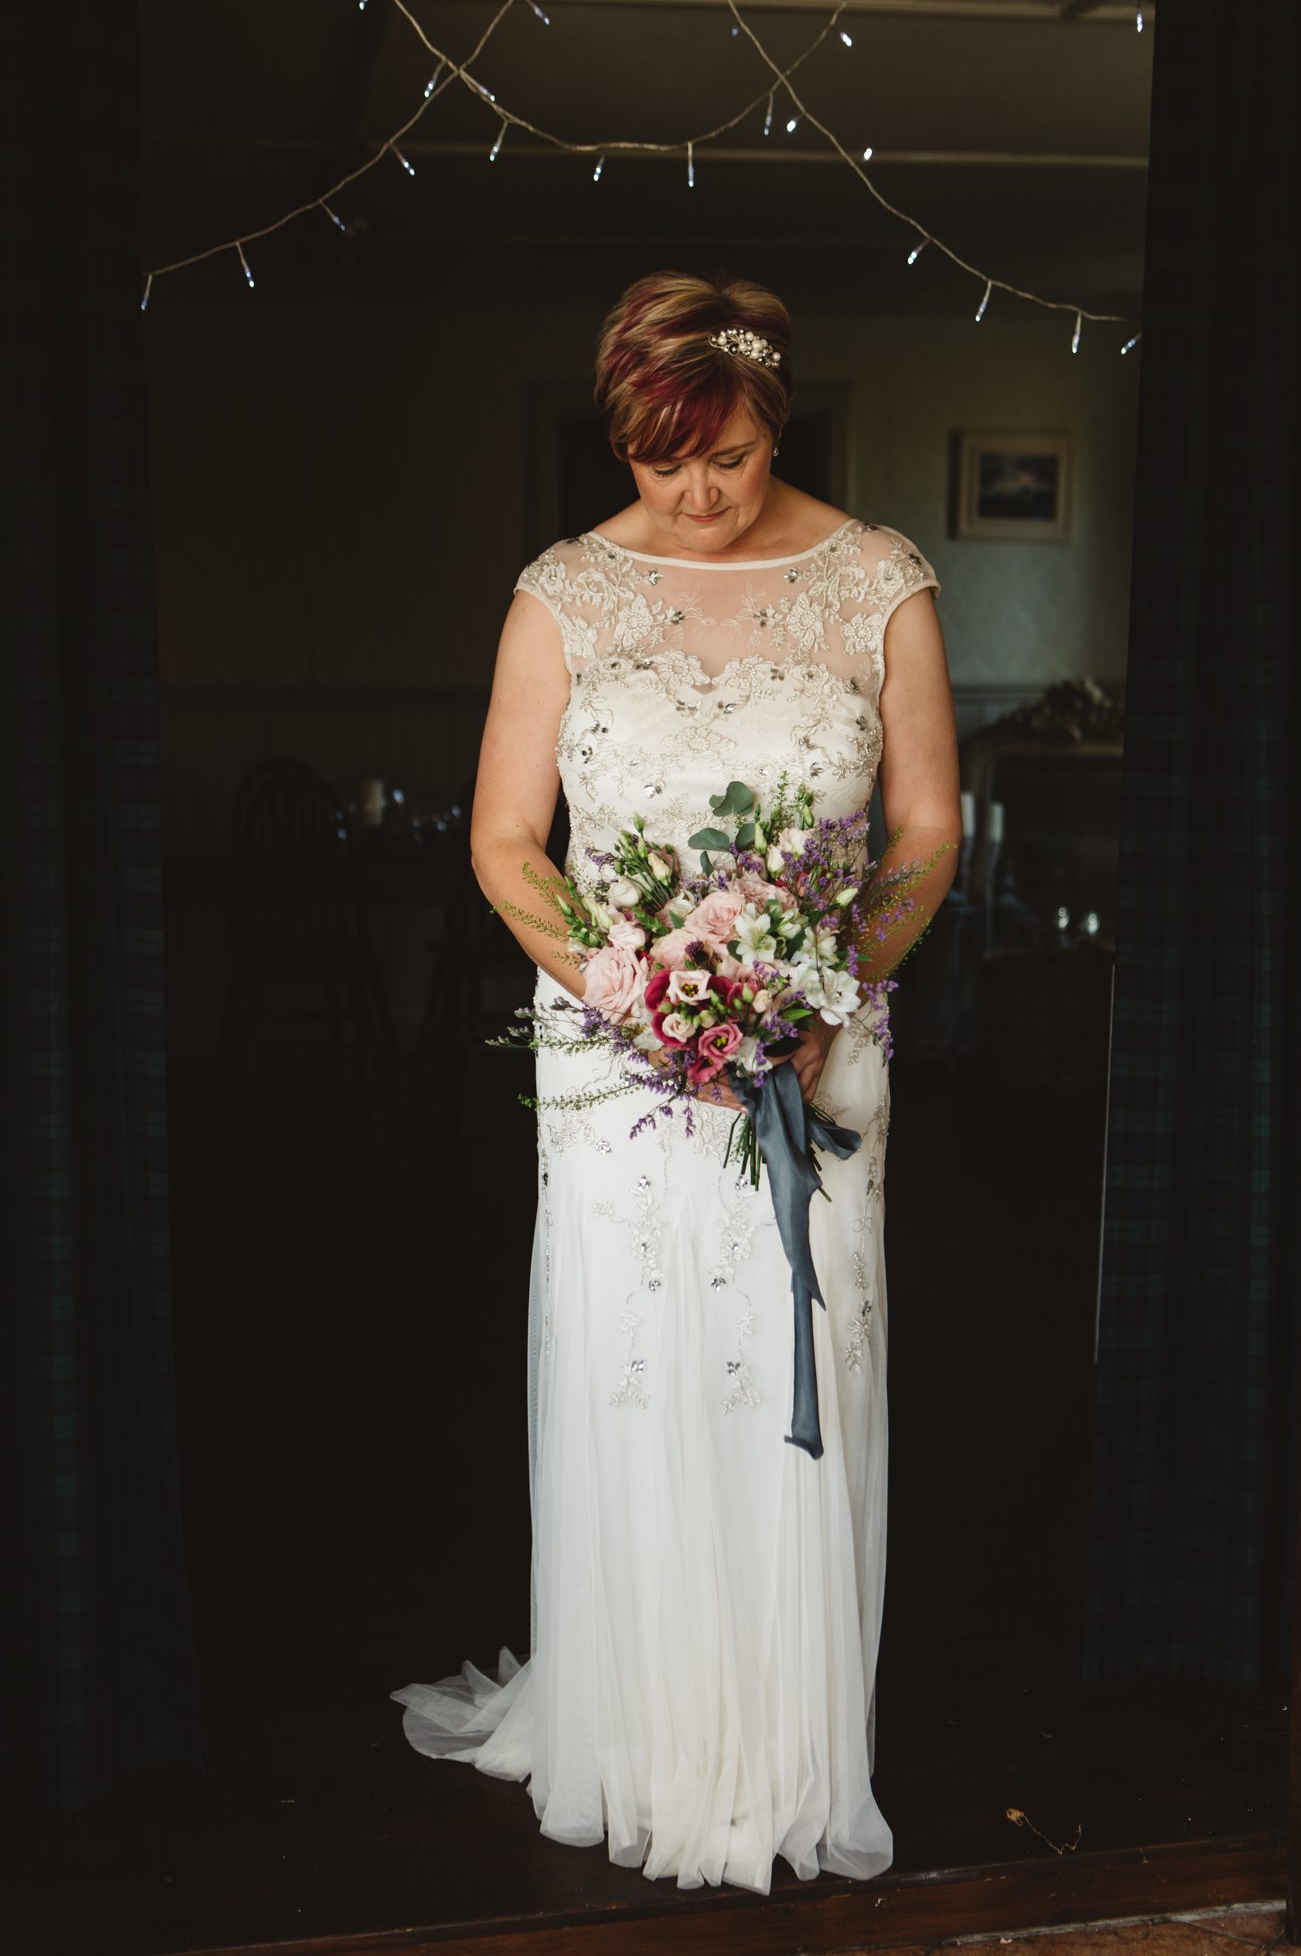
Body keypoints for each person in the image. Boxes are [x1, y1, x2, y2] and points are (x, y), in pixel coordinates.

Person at [390, 269, 962, 1894]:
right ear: (620, 444)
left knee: (795, 1385)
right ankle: (643, 1737)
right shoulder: (563, 594)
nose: (696, 493)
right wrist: (645, 991)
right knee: (638, 1377)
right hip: (622, 1069)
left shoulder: (879, 584)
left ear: (774, 409)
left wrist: (822, 983)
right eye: (658, 463)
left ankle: (785, 1760)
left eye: (723, 454)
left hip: (814, 1055)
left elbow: (925, 833)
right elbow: (508, 846)